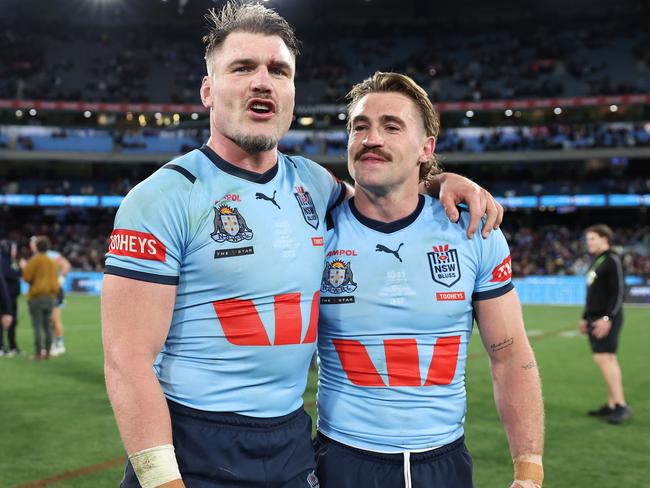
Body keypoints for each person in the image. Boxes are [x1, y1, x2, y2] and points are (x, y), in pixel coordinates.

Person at [102, 3, 503, 487]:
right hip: (194, 443)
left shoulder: (314, 184)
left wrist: (442, 181)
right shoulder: (163, 197)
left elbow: (390, 198)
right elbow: (126, 359)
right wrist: (162, 478)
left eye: (279, 70)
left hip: (292, 444)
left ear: (292, 93)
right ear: (208, 90)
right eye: (243, 67)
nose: (262, 81)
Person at [315, 72, 544, 488]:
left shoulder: (473, 232)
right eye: (359, 127)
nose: (371, 138)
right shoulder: (314, 232)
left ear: (427, 148)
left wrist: (528, 469)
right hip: (342, 460)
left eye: (391, 126)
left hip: (443, 463)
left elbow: (509, 356)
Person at [579, 224, 632, 424]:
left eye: (592, 238)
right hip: (595, 317)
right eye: (587, 239)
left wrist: (607, 318)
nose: (588, 242)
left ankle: (620, 405)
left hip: (606, 318)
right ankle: (612, 405)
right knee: (604, 359)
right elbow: (593, 294)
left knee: (606, 359)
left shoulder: (612, 259)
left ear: (604, 239)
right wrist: (585, 317)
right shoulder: (598, 261)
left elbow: (619, 292)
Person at [21, 236, 60, 360]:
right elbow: (56, 280)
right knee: (47, 327)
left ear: (37, 247)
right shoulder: (52, 261)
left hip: (37, 297)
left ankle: (38, 353)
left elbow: (26, 277)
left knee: (37, 326)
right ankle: (47, 352)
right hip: (50, 297)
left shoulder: (34, 260)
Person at [0, 239, 21, 356]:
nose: (15, 251)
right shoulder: (3, 261)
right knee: (3, 322)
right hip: (4, 299)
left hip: (12, 298)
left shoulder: (11, 261)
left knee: (12, 323)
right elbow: (11, 275)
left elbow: (17, 274)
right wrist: (19, 271)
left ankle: (12, 345)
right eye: (13, 248)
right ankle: (1, 346)